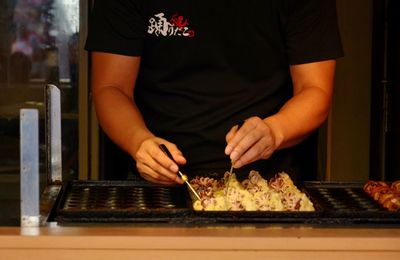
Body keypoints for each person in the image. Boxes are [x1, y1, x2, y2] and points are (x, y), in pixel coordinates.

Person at [85, 0, 343, 185]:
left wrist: (274, 131)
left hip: (268, 181)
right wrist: (138, 141)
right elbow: (111, 88)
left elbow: (315, 89)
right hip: (157, 180)